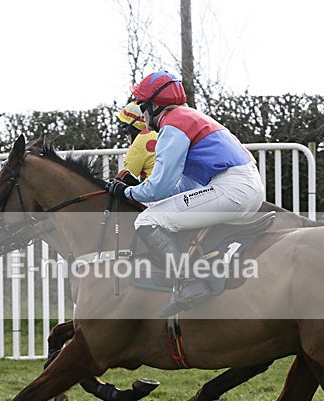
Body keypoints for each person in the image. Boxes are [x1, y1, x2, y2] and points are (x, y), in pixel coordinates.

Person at [106, 71, 265, 318]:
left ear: (155, 106)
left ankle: (190, 281)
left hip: (233, 188)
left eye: (142, 105)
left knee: (147, 220)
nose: (141, 113)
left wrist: (127, 191)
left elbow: (160, 186)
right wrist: (141, 192)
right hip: (243, 186)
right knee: (158, 212)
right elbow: (182, 188)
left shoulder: (173, 124)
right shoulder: (189, 117)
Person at [116, 102, 158, 183]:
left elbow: (123, 178)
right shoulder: (161, 132)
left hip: (156, 189)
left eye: (125, 130)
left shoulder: (140, 142)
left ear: (131, 129)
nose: (126, 136)